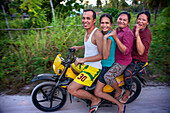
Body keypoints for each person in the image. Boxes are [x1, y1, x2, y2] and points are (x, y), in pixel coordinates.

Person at [95, 11, 134, 113]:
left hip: (122, 61)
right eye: (120, 19)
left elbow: (125, 51)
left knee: (107, 76)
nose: (121, 21)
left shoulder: (128, 33)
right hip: (114, 59)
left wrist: (115, 37)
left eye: (124, 20)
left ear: (128, 22)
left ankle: (118, 90)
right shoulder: (116, 30)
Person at [67, 9, 103, 113]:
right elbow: (91, 45)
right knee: (72, 67)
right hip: (87, 64)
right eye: (83, 18)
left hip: (94, 68)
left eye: (88, 18)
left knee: (71, 89)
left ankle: (95, 99)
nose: (85, 20)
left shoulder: (97, 34)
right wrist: (79, 47)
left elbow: (102, 55)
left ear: (94, 20)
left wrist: (83, 59)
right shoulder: (88, 31)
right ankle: (86, 88)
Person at [119, 11, 152, 104]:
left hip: (138, 60)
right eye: (139, 19)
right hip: (129, 56)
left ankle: (127, 92)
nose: (140, 21)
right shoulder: (135, 28)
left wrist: (137, 35)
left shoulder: (147, 35)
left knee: (127, 73)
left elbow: (141, 52)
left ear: (147, 22)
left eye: (143, 20)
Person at [91, 13, 116, 113]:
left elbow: (105, 55)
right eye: (102, 23)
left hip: (107, 65)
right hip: (100, 63)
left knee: (97, 92)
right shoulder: (102, 34)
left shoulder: (108, 38)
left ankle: (119, 104)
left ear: (111, 24)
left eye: (107, 23)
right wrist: (79, 47)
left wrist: (105, 39)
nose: (104, 25)